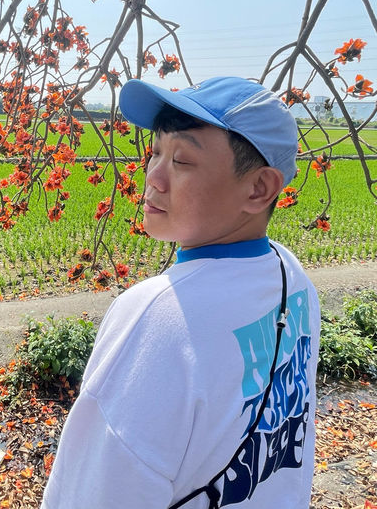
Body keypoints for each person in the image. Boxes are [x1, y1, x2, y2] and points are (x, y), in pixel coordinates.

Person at [41, 76, 320, 508]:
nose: (152, 177)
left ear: (258, 188)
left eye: (182, 161)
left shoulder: (156, 317)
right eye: (155, 152)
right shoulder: (291, 277)